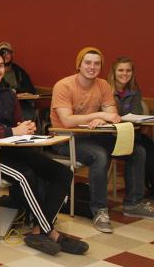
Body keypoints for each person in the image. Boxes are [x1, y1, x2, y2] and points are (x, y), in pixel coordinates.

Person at [0, 49, 85, 255]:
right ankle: (50, 232)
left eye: (0, 66)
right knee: (24, 175)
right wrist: (11, 131)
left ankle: (38, 228)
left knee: (63, 173)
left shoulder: (9, 94)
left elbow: (16, 125)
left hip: (13, 149)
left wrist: (26, 128)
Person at [50, 47, 153, 232]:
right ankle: (100, 210)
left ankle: (133, 203)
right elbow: (66, 121)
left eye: (97, 63)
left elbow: (112, 114)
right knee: (100, 155)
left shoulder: (103, 85)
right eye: (88, 63)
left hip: (94, 136)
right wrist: (96, 115)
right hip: (66, 140)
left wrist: (103, 117)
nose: (92, 67)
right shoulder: (63, 85)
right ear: (78, 65)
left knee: (137, 150)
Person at [109, 56, 154, 197]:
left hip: (131, 132)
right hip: (111, 135)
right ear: (114, 72)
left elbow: (136, 113)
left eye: (128, 70)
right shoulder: (105, 89)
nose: (125, 73)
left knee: (150, 147)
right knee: (142, 150)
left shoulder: (135, 90)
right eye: (121, 70)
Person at [0, 41, 37, 121]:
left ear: (12, 55)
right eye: (2, 52)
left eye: (7, 52)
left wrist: (25, 94)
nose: (5, 55)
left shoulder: (19, 71)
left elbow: (31, 90)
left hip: (20, 104)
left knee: (28, 115)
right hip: (0, 104)